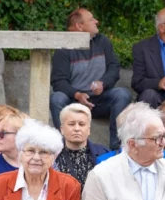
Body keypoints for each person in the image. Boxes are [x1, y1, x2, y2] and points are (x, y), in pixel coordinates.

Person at [50, 8, 130, 150]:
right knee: (56, 98)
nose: (96, 21)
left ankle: (117, 147)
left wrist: (103, 83)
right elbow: (58, 81)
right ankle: (63, 147)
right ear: (79, 26)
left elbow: (114, 67)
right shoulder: (63, 49)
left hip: (100, 99)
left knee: (122, 94)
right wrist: (77, 95)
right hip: (74, 102)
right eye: (91, 19)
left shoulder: (102, 41)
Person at [53, 103, 108, 192]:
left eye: (81, 124)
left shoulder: (104, 154)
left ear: (89, 129)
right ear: (62, 129)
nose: (77, 129)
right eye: (71, 124)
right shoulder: (52, 155)